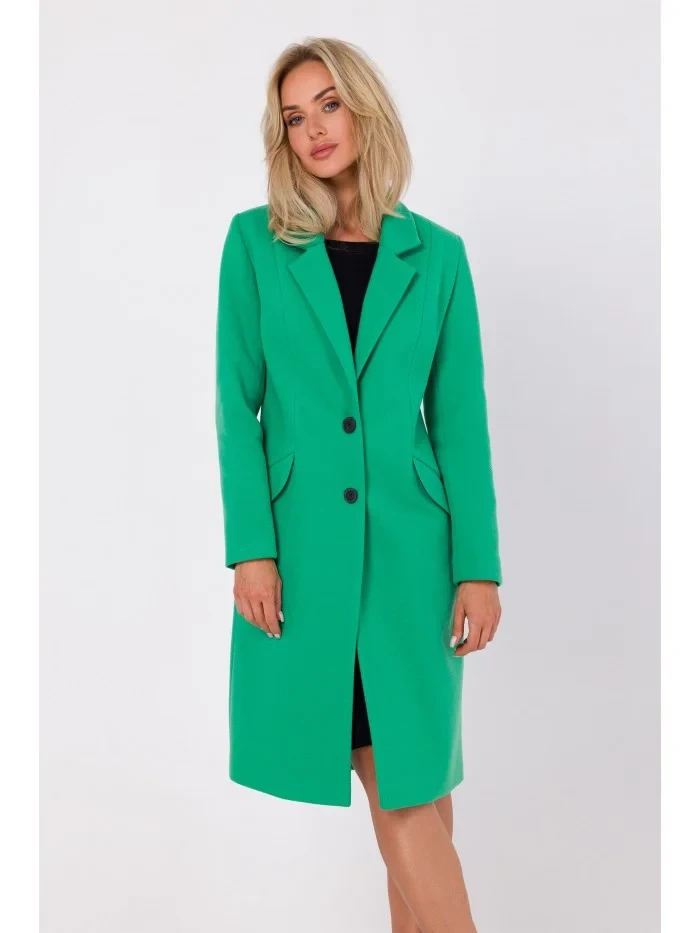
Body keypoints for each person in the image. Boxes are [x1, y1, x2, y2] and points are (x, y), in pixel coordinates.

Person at [215, 36, 503, 933]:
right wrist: (252, 548)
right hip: (306, 559)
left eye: (329, 104)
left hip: (413, 564)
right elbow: (235, 407)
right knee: (405, 797)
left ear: (364, 108)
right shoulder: (255, 246)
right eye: (294, 117)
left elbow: (460, 424)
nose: (314, 129)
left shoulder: (438, 257)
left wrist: (477, 566)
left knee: (419, 792)